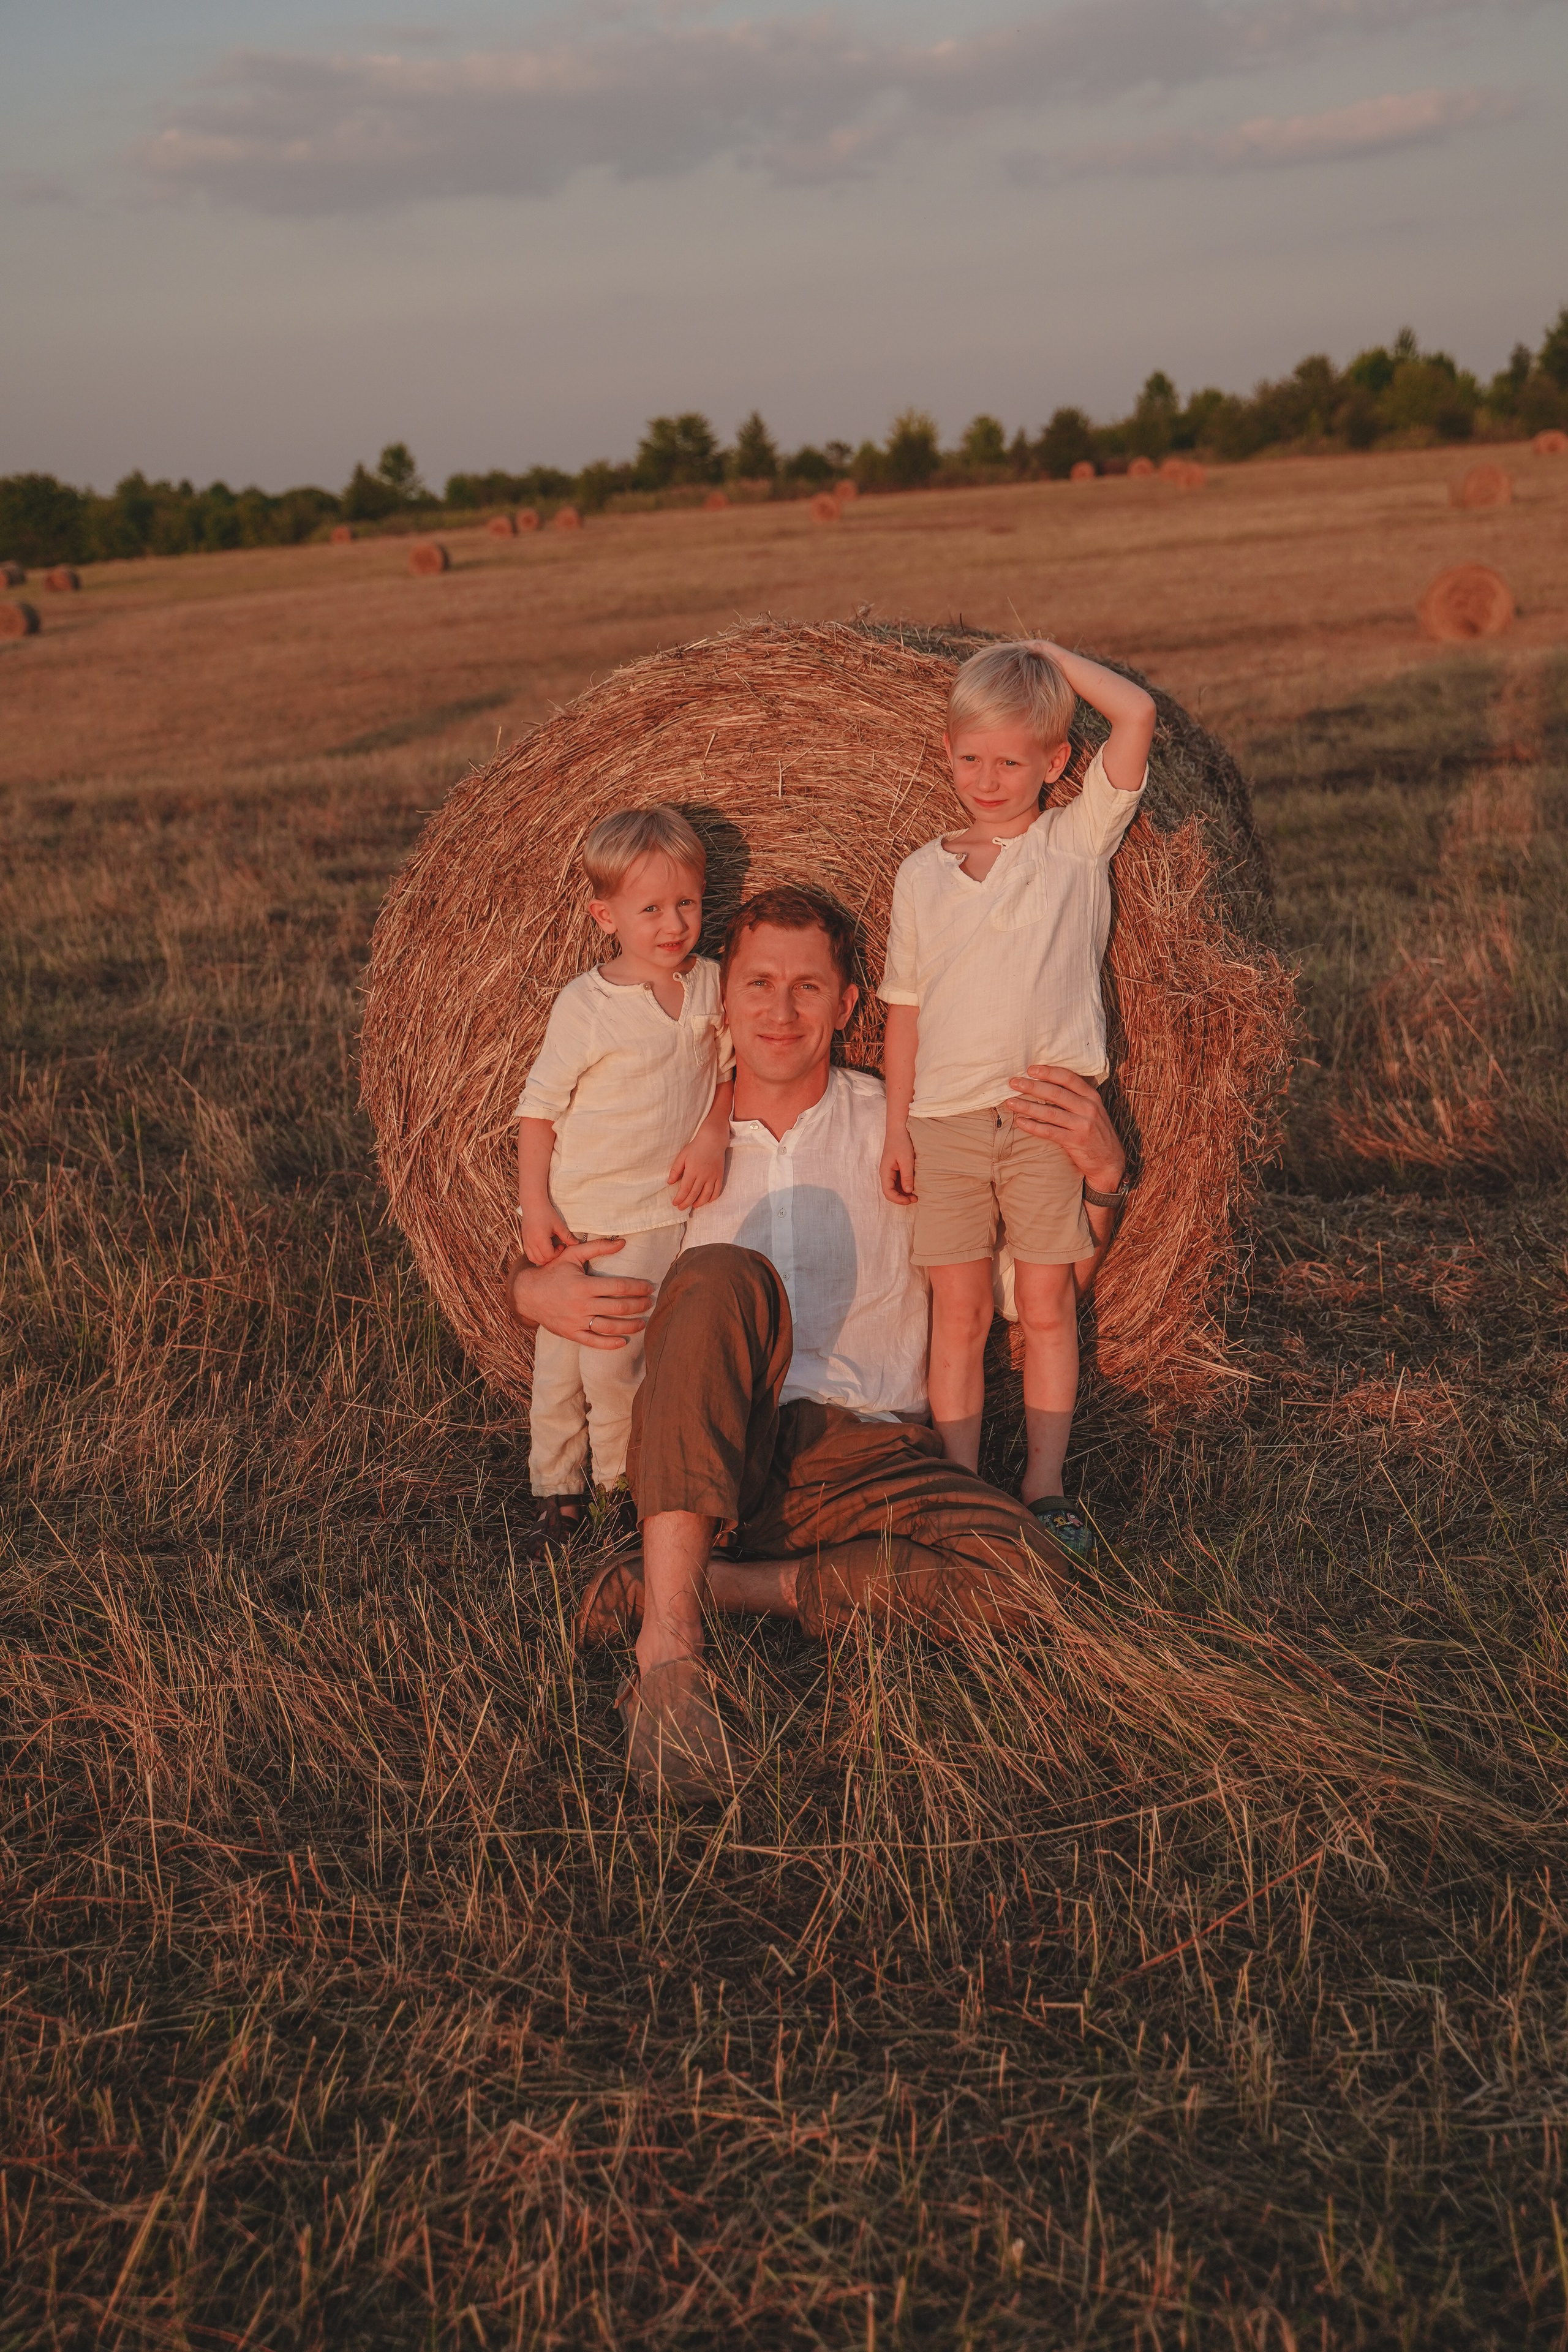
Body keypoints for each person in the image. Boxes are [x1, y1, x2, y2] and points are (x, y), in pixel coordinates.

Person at [508, 885, 1131, 1799]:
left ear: (848, 1007)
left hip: (872, 1456)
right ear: (726, 1002)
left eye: (809, 988)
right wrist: (527, 1290)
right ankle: (670, 1656)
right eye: (758, 983)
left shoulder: (909, 1133)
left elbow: (1029, 1300)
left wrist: (1106, 1180)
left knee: (1033, 1575)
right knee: (722, 1275)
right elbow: (562, 1257)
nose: (780, 1009)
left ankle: (712, 1586)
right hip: (713, 1450)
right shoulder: (670, 1143)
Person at [877, 642, 1154, 1556]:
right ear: (947, 752)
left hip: (1040, 1119)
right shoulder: (920, 875)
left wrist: (1043, 653)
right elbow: (905, 1011)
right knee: (954, 1315)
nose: (988, 781)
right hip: (945, 1128)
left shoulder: (1074, 846)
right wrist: (896, 1127)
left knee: (1046, 1309)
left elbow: (1138, 715)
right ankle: (959, 1491)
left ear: (1054, 765)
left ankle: (1044, 1486)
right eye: (970, 759)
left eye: (1011, 761)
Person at [512, 805, 733, 1548]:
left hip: (655, 1211)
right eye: (649, 909)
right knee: (559, 1358)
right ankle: (553, 1483)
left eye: (686, 905)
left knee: (614, 1357)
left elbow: (730, 1071)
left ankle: (615, 1486)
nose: (672, 924)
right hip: (582, 1209)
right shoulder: (586, 1005)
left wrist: (710, 1132)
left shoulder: (709, 986)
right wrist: (533, 1205)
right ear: (604, 916)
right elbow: (538, 1112)